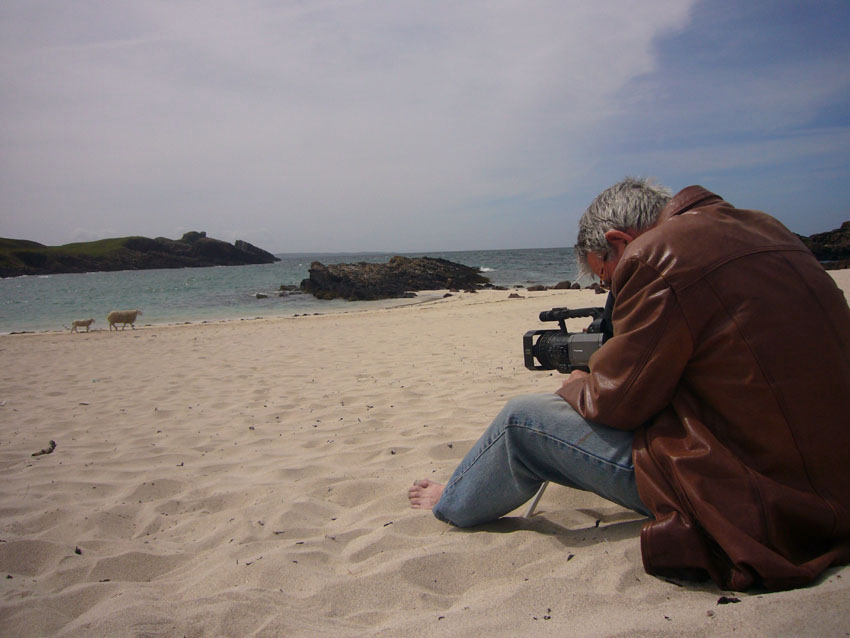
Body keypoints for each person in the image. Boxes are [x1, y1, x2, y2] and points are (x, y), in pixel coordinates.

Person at [408, 177, 850, 591]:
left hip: (756, 499)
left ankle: (453, 500)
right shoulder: (772, 231)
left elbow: (619, 404)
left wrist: (578, 381)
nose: (612, 293)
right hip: (834, 484)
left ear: (619, 242)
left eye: (607, 279)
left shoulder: (653, 256)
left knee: (522, 422)